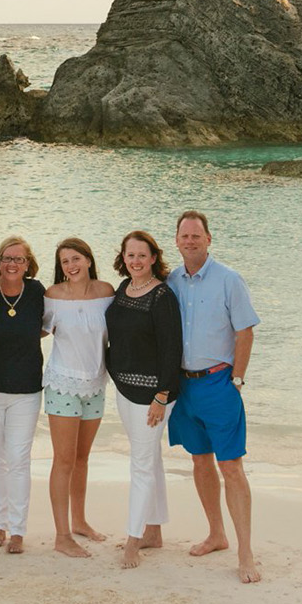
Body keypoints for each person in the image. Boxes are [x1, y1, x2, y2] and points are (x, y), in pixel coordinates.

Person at [166, 209, 261, 583]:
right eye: (184, 236)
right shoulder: (171, 280)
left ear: (208, 239)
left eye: (196, 236)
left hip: (220, 383)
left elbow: (246, 332)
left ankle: (245, 553)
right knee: (200, 462)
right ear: (176, 241)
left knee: (232, 467)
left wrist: (237, 380)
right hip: (184, 387)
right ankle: (216, 534)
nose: (190, 241)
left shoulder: (229, 280)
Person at [105, 229, 183, 569]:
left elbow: (172, 349)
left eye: (141, 255)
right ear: (123, 258)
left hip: (153, 395)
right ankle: (154, 531)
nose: (135, 261)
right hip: (125, 390)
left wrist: (161, 396)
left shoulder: (162, 296)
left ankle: (133, 540)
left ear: (154, 258)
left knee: (140, 464)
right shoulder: (124, 289)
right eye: (130, 255)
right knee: (150, 459)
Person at [40, 236, 112, 557]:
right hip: (62, 384)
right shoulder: (53, 296)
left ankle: (80, 521)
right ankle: (61, 535)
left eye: (75, 259)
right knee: (64, 460)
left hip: (96, 385)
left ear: (88, 259)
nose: (71, 265)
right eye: (65, 262)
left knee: (82, 459)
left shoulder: (106, 292)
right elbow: (34, 331)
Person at [0, 235, 45, 553]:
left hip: (27, 389)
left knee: (18, 460)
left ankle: (17, 530)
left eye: (19, 259)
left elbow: (49, 324)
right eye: (7, 258)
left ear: (28, 264)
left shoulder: (37, 292)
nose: (13, 264)